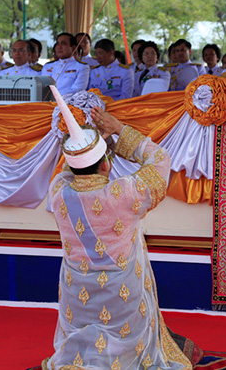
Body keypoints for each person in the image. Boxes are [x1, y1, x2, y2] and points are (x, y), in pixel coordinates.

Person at [42, 86, 202, 369]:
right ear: (105, 165)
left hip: (77, 296)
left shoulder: (58, 192)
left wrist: (98, 150)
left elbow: (76, 172)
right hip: (122, 299)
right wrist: (119, 129)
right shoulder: (126, 193)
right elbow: (160, 159)